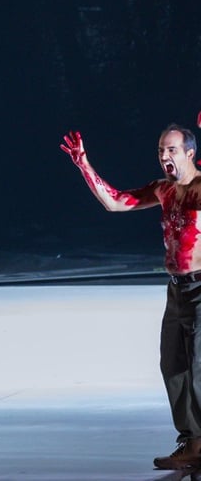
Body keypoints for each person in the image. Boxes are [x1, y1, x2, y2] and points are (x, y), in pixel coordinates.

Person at [62, 125, 201, 471]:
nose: (164, 156)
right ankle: (191, 442)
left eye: (171, 150)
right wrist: (84, 165)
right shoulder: (163, 190)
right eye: (160, 151)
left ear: (189, 153)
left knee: (200, 369)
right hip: (177, 291)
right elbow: (115, 202)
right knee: (174, 367)